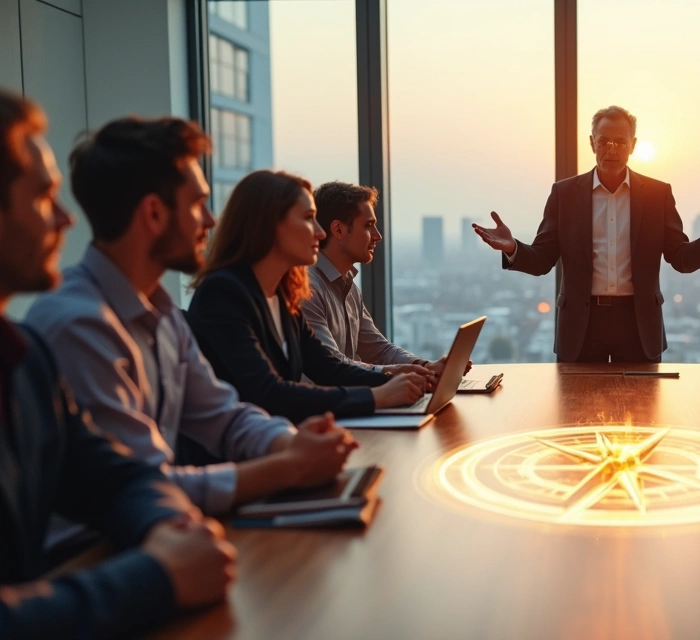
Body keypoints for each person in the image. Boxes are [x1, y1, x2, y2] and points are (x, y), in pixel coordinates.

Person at [25, 117, 357, 525]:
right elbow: (142, 489)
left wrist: (291, 443)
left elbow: (223, 415)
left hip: (162, 535)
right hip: (94, 555)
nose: (211, 221)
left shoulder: (161, 312)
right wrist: (289, 466)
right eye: (198, 204)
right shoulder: (79, 325)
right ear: (153, 213)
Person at [0, 90, 234, 638]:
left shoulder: (26, 361)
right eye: (42, 197)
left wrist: (166, 526)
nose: (63, 218)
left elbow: (115, 478)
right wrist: (157, 575)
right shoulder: (63, 329)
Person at [471, 105, 700, 362]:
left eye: (621, 142)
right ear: (592, 143)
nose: (611, 149)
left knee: (641, 410)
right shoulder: (564, 194)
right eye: (604, 141)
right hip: (582, 326)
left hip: (638, 324)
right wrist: (512, 248)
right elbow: (543, 259)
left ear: (633, 145)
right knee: (576, 409)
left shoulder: (657, 194)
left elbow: (679, 257)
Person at [187, 170, 431, 424]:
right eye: (308, 218)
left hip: (281, 443)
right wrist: (378, 396)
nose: (320, 232)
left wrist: (396, 379)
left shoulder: (282, 296)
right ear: (270, 226)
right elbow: (268, 392)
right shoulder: (224, 295)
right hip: (240, 454)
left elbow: (327, 368)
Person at [302, 181, 470, 376]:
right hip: (323, 405)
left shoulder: (347, 286)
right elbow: (333, 367)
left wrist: (423, 366)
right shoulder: (308, 290)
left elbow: (379, 350)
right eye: (368, 226)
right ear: (338, 229)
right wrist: (399, 373)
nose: (378, 236)